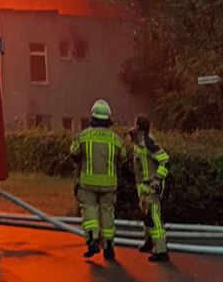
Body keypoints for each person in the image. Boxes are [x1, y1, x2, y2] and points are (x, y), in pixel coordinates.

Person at [70, 99, 126, 260]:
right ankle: (108, 246)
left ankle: (93, 240)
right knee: (108, 214)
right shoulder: (115, 139)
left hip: (87, 183)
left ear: (92, 118)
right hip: (109, 184)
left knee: (89, 210)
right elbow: (123, 157)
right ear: (108, 119)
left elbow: (73, 153)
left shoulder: (83, 136)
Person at [129, 115, 169, 262]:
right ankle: (149, 242)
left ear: (140, 128)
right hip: (143, 186)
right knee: (146, 216)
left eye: (136, 126)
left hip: (151, 185)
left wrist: (158, 179)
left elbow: (164, 159)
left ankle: (161, 250)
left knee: (154, 217)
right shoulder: (139, 144)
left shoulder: (149, 142)